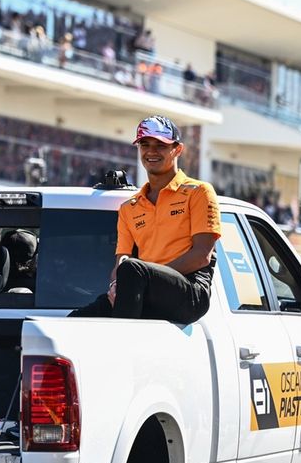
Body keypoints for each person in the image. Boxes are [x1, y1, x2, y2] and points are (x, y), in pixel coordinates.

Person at [69, 115, 220, 324]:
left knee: (133, 269)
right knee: (75, 322)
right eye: (145, 144)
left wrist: (146, 280)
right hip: (143, 287)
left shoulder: (199, 192)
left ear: (177, 149)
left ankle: (126, 351)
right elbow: (121, 260)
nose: (151, 151)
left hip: (190, 292)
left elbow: (202, 256)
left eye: (160, 145)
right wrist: (116, 286)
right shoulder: (129, 207)